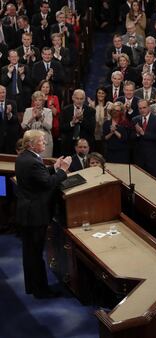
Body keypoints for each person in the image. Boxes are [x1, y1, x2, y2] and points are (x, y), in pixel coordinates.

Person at [15, 129, 71, 298]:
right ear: (31, 144)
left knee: (30, 253)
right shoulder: (32, 161)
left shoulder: (24, 157)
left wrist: (53, 167)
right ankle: (41, 290)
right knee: (36, 254)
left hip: (26, 211)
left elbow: (39, 176)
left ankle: (33, 287)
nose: (45, 144)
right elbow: (47, 184)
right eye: (41, 141)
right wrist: (63, 171)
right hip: (35, 214)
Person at [132, 99, 156, 178]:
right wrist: (137, 134)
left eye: (144, 107)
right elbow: (131, 136)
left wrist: (143, 133)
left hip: (152, 157)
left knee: (153, 180)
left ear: (149, 107)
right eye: (140, 108)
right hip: (139, 157)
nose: (142, 110)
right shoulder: (135, 120)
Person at [21, 91, 53, 157]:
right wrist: (32, 117)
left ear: (43, 101)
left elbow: (49, 127)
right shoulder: (28, 111)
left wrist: (41, 118)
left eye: (40, 100)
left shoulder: (48, 111)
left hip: (44, 143)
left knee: (44, 163)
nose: (38, 102)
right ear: (33, 101)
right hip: (31, 143)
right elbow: (23, 126)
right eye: (36, 100)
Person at [37, 80, 61, 157]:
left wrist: (51, 106)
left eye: (47, 87)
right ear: (40, 88)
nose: (45, 89)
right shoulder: (36, 97)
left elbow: (56, 113)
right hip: (39, 127)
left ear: (50, 88)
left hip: (52, 127)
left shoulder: (54, 98)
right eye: (43, 87)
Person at [88, 87, 111, 155]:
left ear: (106, 94)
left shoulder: (110, 105)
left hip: (106, 133)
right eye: (99, 93)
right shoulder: (92, 105)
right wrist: (92, 108)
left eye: (102, 93)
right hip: (95, 133)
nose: (100, 95)